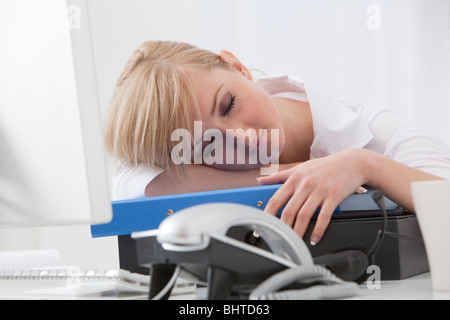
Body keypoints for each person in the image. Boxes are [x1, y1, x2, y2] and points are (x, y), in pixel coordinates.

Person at [104, 41, 450, 246]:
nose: (242, 138)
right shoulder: (171, 171)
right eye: (208, 145)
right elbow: (130, 182)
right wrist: (290, 172)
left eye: (229, 105)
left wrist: (364, 165)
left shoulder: (382, 135)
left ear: (237, 66)